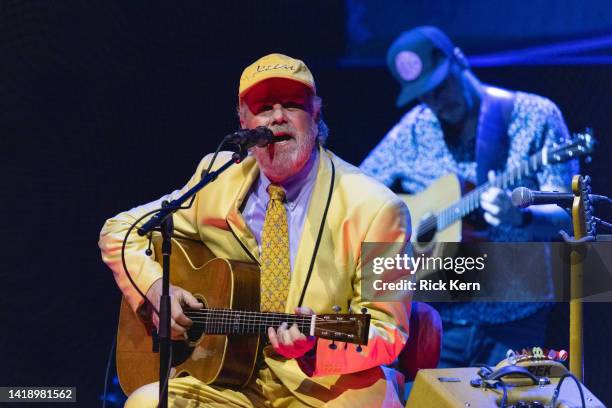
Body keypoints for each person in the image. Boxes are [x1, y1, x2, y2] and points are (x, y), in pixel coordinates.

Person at [99, 53, 411, 407]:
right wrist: (156, 290)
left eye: (293, 104)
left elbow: (388, 330)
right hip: (228, 379)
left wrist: (314, 348)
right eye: (264, 107)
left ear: (316, 115)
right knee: (146, 402)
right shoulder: (216, 178)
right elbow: (120, 230)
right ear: (244, 122)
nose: (278, 116)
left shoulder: (376, 207)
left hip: (329, 386)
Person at [360, 27, 578, 368]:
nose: (436, 102)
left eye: (441, 86)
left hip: (515, 319)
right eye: (424, 96)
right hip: (435, 320)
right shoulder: (414, 129)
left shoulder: (534, 116)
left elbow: (567, 215)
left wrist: (521, 216)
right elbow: (358, 193)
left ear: (458, 59)